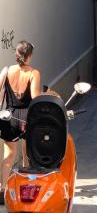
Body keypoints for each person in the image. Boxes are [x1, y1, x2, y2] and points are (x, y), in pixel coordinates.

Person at [0, 41, 41, 204]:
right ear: (29, 56)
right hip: (26, 118)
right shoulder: (33, 73)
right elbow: (35, 98)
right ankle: (26, 191)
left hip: (9, 116)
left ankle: (2, 190)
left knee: (8, 156)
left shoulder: (6, 71)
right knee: (26, 158)